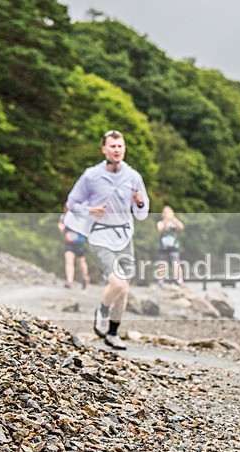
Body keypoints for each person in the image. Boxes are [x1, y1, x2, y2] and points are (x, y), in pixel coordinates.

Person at [63, 130, 150, 350]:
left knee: (123, 289)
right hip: (100, 234)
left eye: (120, 146)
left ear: (124, 148)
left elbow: (142, 214)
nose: (117, 150)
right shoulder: (91, 175)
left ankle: (112, 333)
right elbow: (72, 203)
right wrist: (90, 210)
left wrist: (140, 202)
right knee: (118, 282)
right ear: (104, 149)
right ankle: (102, 310)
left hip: (125, 235)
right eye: (112, 146)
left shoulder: (133, 176)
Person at [58, 206, 90, 289]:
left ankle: (85, 279)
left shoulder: (79, 216)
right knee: (68, 260)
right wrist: (61, 226)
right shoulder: (63, 216)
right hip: (68, 243)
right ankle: (70, 281)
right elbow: (61, 224)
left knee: (81, 262)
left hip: (79, 242)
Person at [155, 205, 185, 286]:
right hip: (163, 247)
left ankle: (180, 280)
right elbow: (160, 229)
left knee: (176, 263)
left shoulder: (174, 222)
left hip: (173, 247)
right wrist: (166, 221)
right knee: (162, 264)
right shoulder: (161, 222)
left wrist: (174, 219)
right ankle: (161, 281)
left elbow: (181, 227)